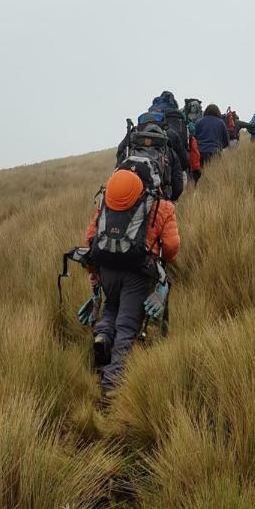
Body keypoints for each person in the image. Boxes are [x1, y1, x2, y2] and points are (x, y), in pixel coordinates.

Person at [83, 168, 180, 396]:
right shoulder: (160, 206)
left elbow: (90, 240)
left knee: (111, 307)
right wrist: (162, 266)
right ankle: (112, 384)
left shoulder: (106, 202)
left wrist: (94, 273)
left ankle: (103, 337)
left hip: (107, 269)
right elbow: (172, 247)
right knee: (127, 324)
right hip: (137, 274)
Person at [116, 118, 184, 201]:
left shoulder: (130, 151)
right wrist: (170, 199)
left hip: (129, 199)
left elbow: (117, 173)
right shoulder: (169, 152)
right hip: (158, 200)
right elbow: (178, 186)